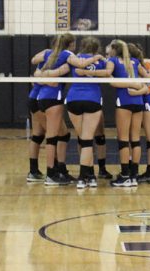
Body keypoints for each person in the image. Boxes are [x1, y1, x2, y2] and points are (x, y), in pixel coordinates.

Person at [37, 36, 112, 189]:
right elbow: (109, 74)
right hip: (92, 99)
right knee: (87, 141)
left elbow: (50, 70)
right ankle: (87, 177)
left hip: (73, 100)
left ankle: (85, 177)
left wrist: (43, 75)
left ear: (81, 46)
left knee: (83, 140)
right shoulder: (103, 61)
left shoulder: (72, 58)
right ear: (96, 49)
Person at [31, 34, 76, 185]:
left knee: (59, 135)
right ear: (70, 44)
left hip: (39, 98)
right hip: (50, 99)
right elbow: (51, 82)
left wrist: (43, 75)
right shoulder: (65, 57)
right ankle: (52, 173)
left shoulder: (46, 56)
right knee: (52, 137)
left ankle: (58, 170)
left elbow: (35, 68)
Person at [107, 40, 149, 187]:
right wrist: (139, 86)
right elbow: (149, 76)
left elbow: (109, 78)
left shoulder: (112, 61)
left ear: (114, 49)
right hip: (138, 101)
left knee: (123, 140)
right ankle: (133, 175)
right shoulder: (136, 61)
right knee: (135, 139)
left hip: (124, 101)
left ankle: (125, 175)